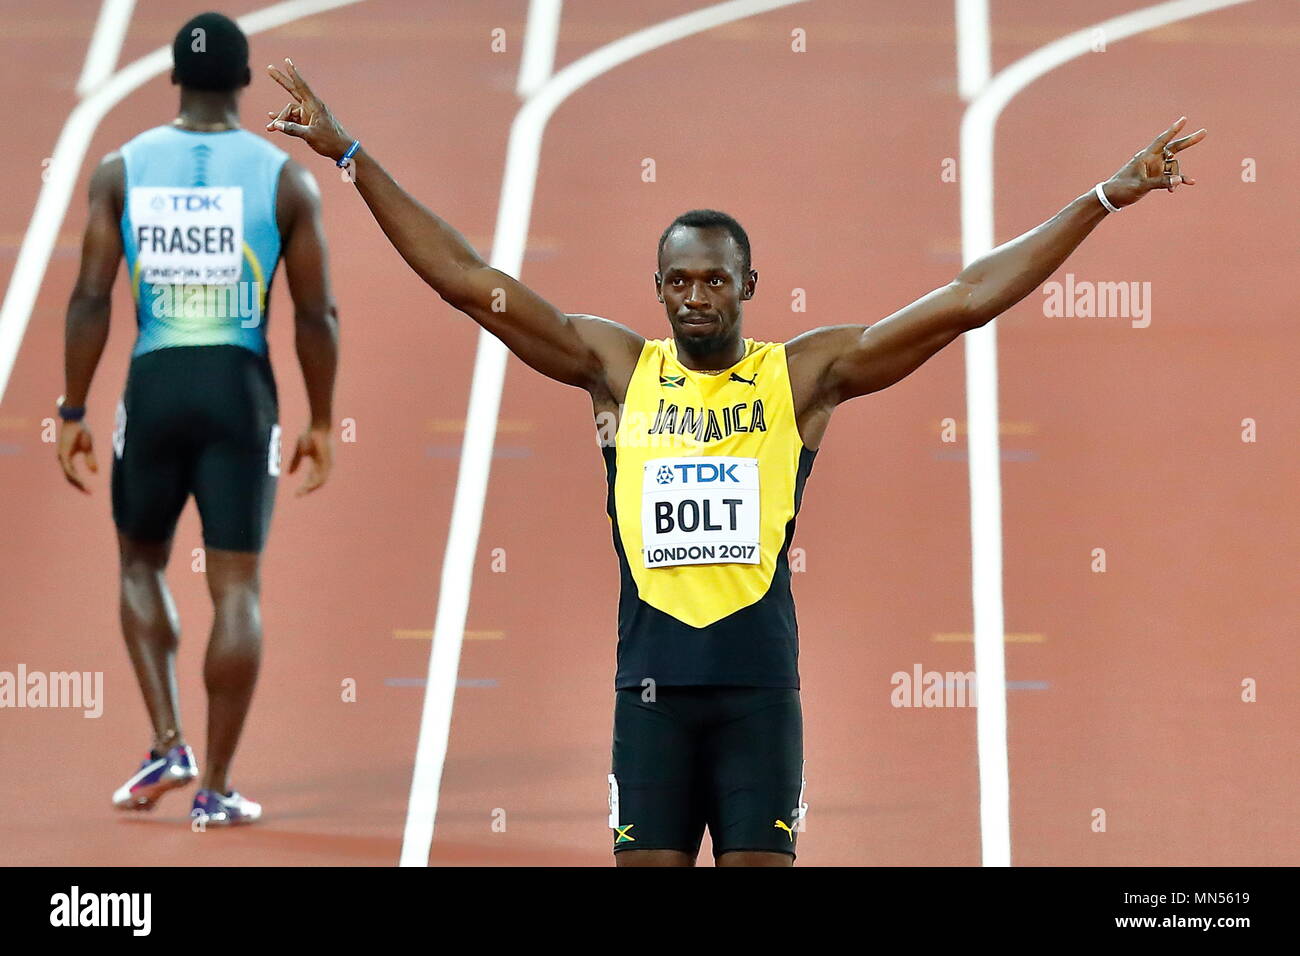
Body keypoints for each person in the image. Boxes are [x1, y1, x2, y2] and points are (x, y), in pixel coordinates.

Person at [264, 58, 1202, 864]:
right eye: (679, 280)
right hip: (652, 699)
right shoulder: (618, 369)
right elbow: (471, 283)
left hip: (759, 695)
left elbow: (964, 300)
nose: (697, 296)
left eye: (716, 278)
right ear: (659, 289)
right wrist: (350, 156)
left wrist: (1104, 198)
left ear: (750, 284)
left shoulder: (801, 378)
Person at [57, 14, 339, 825]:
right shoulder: (285, 178)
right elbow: (315, 314)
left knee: (140, 565)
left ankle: (167, 737)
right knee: (237, 588)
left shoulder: (122, 168)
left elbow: (88, 297)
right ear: (245, 81)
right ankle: (214, 787)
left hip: (153, 386)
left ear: (175, 78)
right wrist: (321, 419)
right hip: (239, 390)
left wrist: (73, 408)